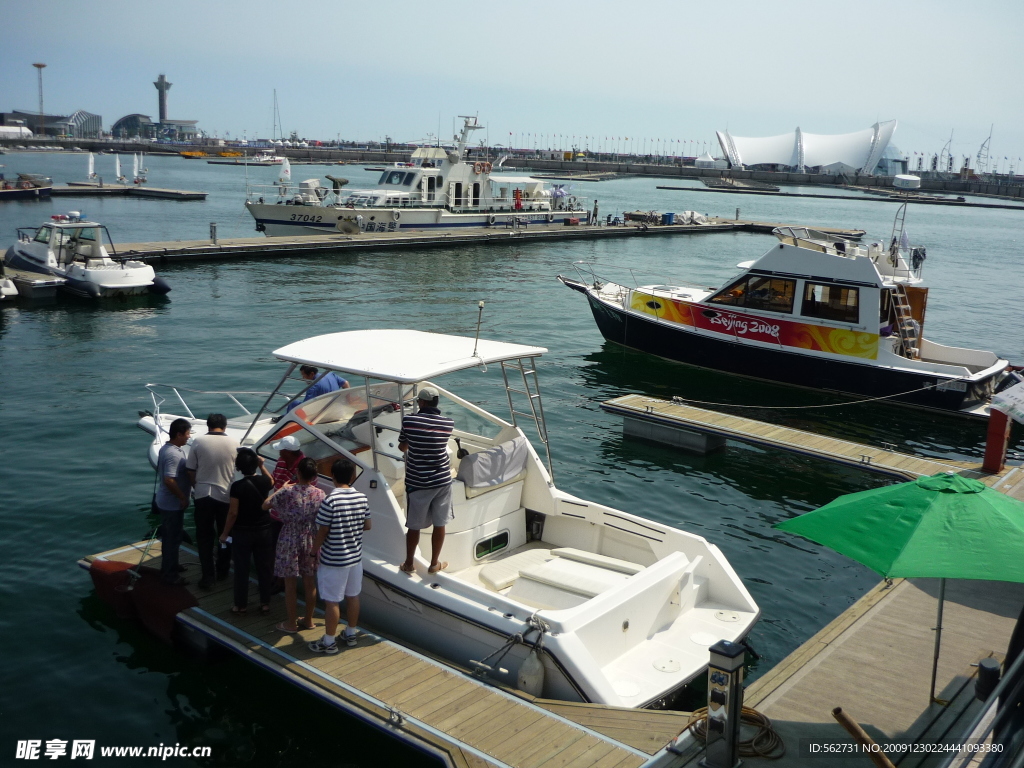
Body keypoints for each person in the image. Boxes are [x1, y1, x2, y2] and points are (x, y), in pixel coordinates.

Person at [308, 459, 371, 654]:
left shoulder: (330, 500)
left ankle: (328, 643)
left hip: (333, 560)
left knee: (332, 602)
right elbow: (367, 526)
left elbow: (323, 530)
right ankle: (350, 634)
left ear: (333, 476)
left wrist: (312, 552)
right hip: (355, 558)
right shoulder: (362, 498)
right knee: (353, 596)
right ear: (352, 477)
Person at [398, 386, 455, 575]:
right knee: (440, 523)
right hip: (442, 480)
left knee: (414, 525)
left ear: (421, 403)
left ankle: (408, 564)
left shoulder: (409, 421)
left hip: (418, 482)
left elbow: (402, 446)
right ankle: (434, 563)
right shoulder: (448, 423)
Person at [264, 457, 325, 633]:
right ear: (314, 476)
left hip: (289, 536)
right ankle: (308, 620)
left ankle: (291, 623)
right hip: (310, 537)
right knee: (309, 581)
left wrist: (280, 489)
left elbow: (265, 505)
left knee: (290, 583)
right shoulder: (320, 494)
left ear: (298, 472)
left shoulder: (288, 492)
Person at [186, 413, 238, 589]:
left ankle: (208, 577)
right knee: (225, 535)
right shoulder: (234, 443)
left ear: (208, 426)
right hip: (225, 495)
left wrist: (196, 486)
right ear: (225, 426)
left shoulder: (198, 442)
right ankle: (223, 571)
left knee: (204, 537)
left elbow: (190, 470)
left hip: (203, 495)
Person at [220, 448, 275, 614]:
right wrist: (262, 465)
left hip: (243, 532)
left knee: (241, 569)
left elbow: (233, 513)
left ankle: (240, 605)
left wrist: (224, 533)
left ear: (239, 467)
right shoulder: (264, 482)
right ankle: (265, 602)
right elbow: (271, 481)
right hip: (264, 530)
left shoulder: (237, 487)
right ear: (254, 465)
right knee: (264, 568)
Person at [154, 418, 192, 586]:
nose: (188, 437)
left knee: (173, 537)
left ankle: (171, 566)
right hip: (172, 505)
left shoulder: (168, 449)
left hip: (168, 503)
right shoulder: (173, 454)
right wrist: (182, 497)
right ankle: (170, 575)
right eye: (187, 434)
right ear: (179, 434)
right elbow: (169, 480)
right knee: (171, 539)